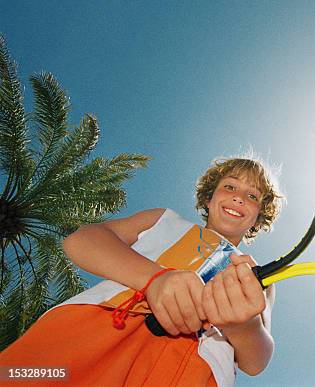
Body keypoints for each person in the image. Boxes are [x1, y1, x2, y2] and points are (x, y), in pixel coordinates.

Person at [0, 157, 283, 386]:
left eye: (252, 196)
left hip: (198, 366)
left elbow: (256, 361)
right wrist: (154, 279)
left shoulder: (257, 275)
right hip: (103, 327)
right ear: (209, 199)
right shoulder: (163, 220)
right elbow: (80, 241)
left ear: (259, 217)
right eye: (230, 187)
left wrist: (243, 326)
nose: (238, 198)